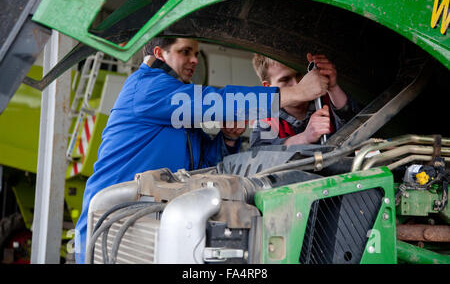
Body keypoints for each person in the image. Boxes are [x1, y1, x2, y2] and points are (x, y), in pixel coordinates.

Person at [74, 38, 329, 263]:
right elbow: (220, 101)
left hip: (147, 229)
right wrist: (298, 92)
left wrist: (228, 138)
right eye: (185, 52)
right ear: (159, 53)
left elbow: (202, 167)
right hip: (111, 229)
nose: (194, 60)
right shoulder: (147, 88)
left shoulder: (177, 107)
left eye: (196, 53)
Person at [250, 53, 360, 147]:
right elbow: (258, 153)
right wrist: (304, 138)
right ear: (267, 87)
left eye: (299, 75)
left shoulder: (329, 98)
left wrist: (333, 87)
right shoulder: (266, 120)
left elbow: (358, 125)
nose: (297, 84)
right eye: (285, 79)